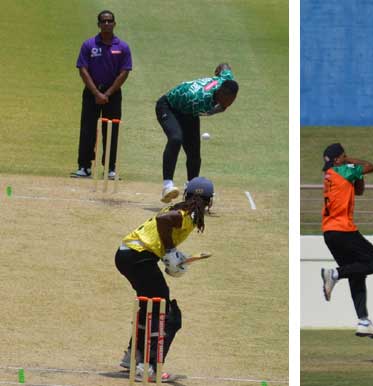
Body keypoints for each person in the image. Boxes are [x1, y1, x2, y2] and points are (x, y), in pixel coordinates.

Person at [115, 177, 214, 381]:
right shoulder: (188, 213)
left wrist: (175, 255)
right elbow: (163, 221)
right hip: (137, 255)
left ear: (187, 195)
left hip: (128, 254)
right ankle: (148, 367)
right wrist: (170, 251)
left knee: (150, 304)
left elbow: (161, 232)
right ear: (209, 201)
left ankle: (133, 357)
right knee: (166, 312)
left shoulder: (184, 210)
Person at [318, 143, 373, 338]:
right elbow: (371, 166)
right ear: (340, 158)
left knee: (357, 274)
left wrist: (358, 175)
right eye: (341, 158)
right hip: (344, 230)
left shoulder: (330, 175)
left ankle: (363, 321)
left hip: (329, 234)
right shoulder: (344, 169)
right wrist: (350, 161)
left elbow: (358, 191)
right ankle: (334, 274)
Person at [157, 63, 239, 202]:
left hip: (188, 112)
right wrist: (220, 108)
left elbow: (224, 66)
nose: (228, 104)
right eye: (227, 101)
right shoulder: (201, 100)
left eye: (232, 101)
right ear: (220, 93)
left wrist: (217, 72)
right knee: (176, 138)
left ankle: (192, 190)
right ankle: (167, 186)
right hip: (168, 107)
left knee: (194, 152)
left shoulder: (225, 79)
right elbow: (208, 112)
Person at [72, 10, 131, 180]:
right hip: (91, 93)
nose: (107, 24)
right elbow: (83, 70)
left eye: (109, 21)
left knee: (112, 129)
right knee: (88, 129)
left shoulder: (122, 47)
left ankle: (110, 168)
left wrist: (107, 93)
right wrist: (97, 93)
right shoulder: (89, 45)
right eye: (103, 21)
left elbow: (124, 72)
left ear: (114, 23)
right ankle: (84, 166)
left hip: (113, 93)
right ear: (98, 24)